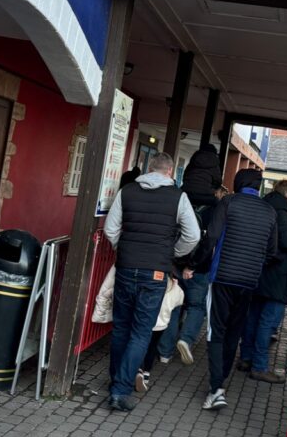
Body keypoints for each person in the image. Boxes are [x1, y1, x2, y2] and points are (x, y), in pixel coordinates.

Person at [102, 152, 199, 412]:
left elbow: (110, 229)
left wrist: (122, 249)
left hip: (125, 267)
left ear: (149, 168)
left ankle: (115, 381)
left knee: (121, 328)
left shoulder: (127, 191)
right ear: (169, 172)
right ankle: (120, 391)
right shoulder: (179, 197)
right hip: (155, 272)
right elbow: (193, 235)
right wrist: (172, 253)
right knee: (141, 332)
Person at [201, 168, 277, 411]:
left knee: (216, 331)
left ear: (237, 183)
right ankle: (220, 381)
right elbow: (272, 250)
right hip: (249, 281)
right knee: (234, 331)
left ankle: (216, 388)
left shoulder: (228, 202)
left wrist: (196, 263)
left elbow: (212, 236)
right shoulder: (269, 210)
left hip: (222, 276)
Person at [240, 179, 287, 384]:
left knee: (253, 317)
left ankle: (245, 358)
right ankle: (259, 367)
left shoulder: (265, 207)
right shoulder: (283, 215)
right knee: (267, 322)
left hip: (259, 271)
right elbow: (286, 242)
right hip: (278, 276)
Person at [156, 185, 223, 367]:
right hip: (199, 268)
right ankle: (185, 339)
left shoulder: (179, 199)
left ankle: (164, 352)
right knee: (196, 306)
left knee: (173, 306)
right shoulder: (216, 208)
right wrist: (193, 265)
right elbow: (210, 241)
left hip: (174, 263)